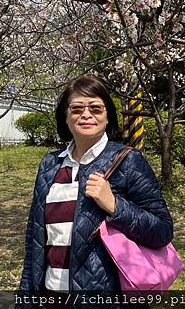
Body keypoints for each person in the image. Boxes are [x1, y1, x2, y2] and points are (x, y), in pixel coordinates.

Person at [18, 75, 173, 296]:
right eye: (77, 108)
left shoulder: (128, 161)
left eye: (96, 108)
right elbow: (34, 240)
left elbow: (162, 231)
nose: (86, 114)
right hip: (50, 295)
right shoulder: (50, 164)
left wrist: (115, 206)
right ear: (66, 115)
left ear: (108, 116)